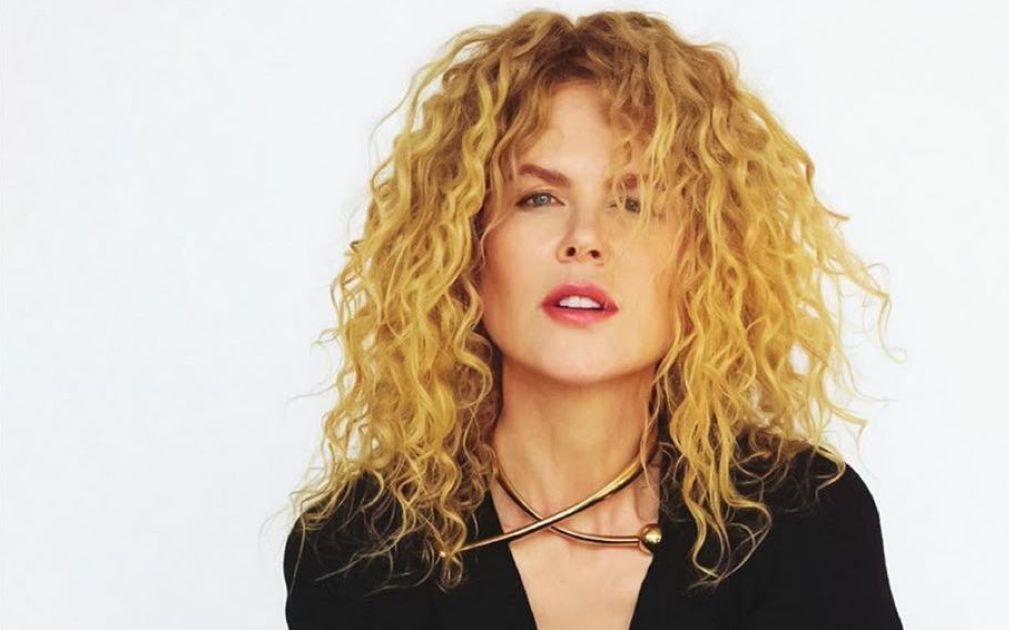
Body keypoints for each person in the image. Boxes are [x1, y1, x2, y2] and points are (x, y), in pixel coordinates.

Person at [283, 8, 902, 629]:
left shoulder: (805, 521)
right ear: (464, 246)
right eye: (540, 198)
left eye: (633, 202)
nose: (585, 238)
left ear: (706, 256)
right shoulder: (356, 552)